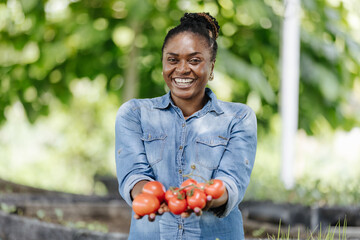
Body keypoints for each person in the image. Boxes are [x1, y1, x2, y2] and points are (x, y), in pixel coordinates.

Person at [115, 12, 257, 240]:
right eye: (172, 60)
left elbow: (231, 183)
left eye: (194, 60)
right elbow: (134, 176)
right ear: (162, 64)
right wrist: (155, 198)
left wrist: (203, 196)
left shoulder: (239, 118)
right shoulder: (134, 114)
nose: (182, 69)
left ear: (211, 68)